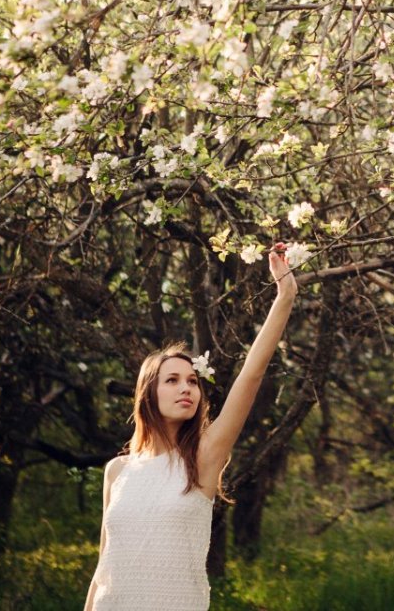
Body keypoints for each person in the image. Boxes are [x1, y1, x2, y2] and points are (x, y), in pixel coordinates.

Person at [84, 242, 299, 611]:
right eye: (172, 380)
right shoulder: (117, 471)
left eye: (193, 381)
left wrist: (285, 295)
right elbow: (104, 566)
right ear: (148, 393)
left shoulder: (203, 456)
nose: (186, 388)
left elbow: (251, 375)